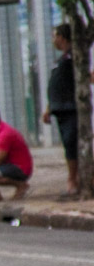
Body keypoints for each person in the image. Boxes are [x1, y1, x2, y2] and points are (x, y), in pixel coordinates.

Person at [42, 23, 80, 199]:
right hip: (60, 109)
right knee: (67, 142)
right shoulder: (60, 59)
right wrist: (49, 107)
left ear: (62, 37)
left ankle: (74, 178)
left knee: (72, 140)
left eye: (55, 35)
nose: (53, 39)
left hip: (71, 107)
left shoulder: (76, 56)